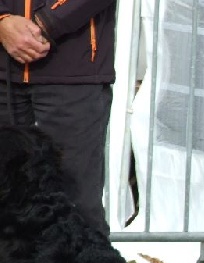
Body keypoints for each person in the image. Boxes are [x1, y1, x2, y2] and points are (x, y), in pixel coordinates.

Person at [0, 0, 117, 236]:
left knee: (77, 205)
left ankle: (86, 261)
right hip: (4, 69)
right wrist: (3, 22)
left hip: (73, 72)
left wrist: (47, 22)